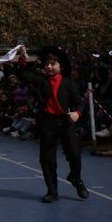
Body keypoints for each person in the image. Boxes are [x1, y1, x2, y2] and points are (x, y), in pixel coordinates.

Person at [18, 46, 89, 203]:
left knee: (75, 155)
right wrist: (23, 57)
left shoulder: (68, 83)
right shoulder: (41, 80)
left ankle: (76, 179)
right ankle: (52, 191)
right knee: (47, 158)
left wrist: (77, 113)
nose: (49, 67)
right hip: (47, 122)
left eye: (53, 64)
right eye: (47, 64)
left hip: (65, 122)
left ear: (61, 66)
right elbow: (24, 74)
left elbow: (80, 102)